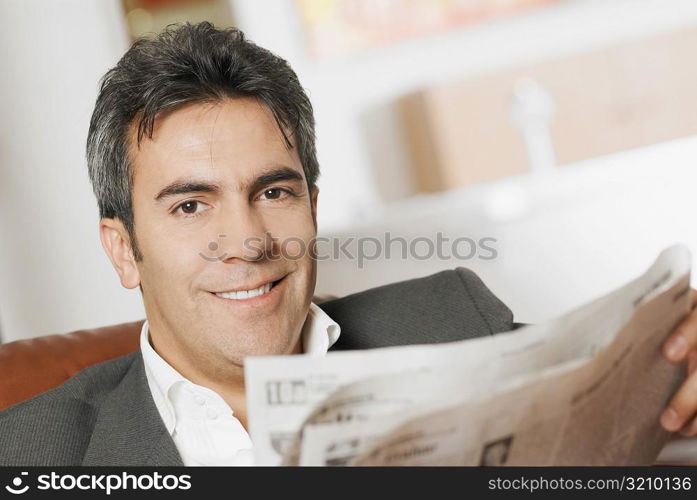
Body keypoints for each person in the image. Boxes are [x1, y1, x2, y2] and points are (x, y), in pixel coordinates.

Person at [1, 22, 696, 466]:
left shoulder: (453, 321)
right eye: (190, 205)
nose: (245, 241)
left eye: (274, 193)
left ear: (311, 206)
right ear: (122, 249)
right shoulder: (29, 452)